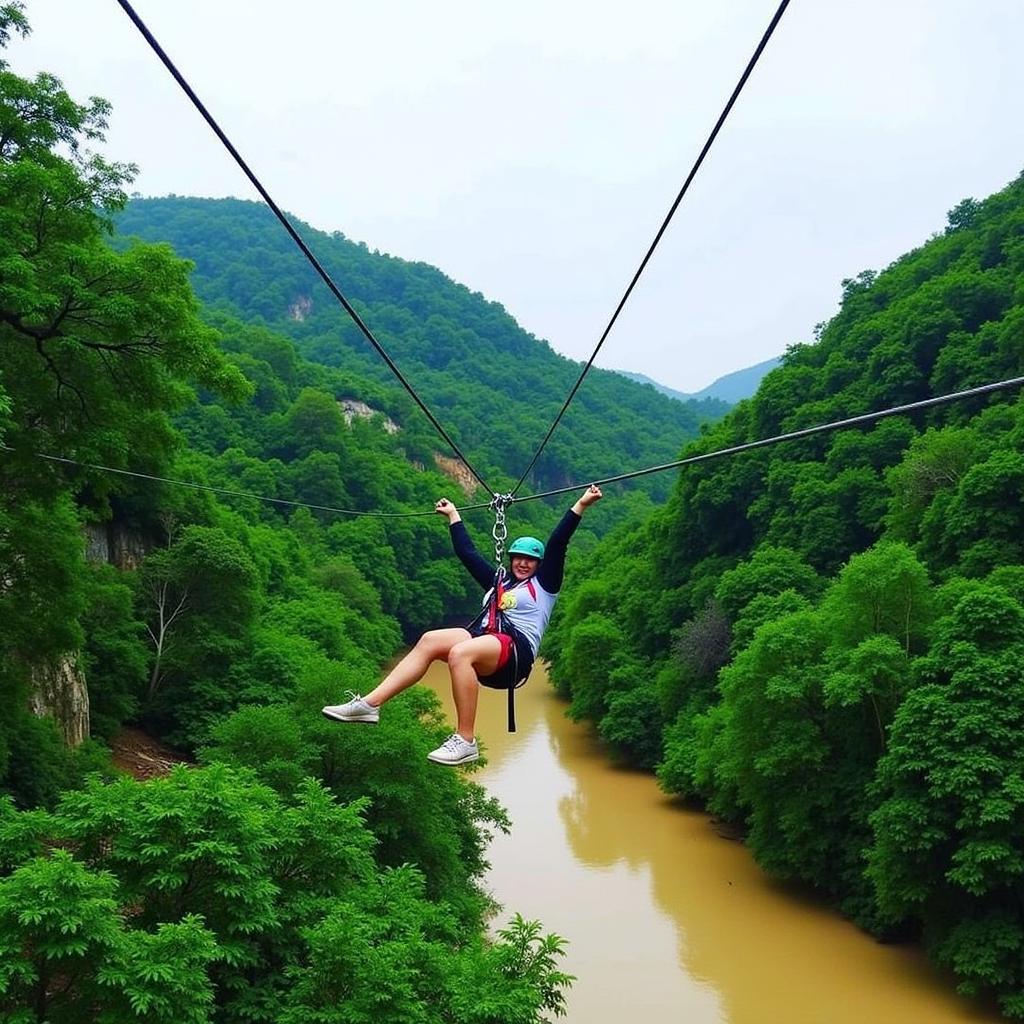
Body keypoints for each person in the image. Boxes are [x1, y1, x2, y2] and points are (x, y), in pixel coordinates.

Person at [322, 484, 603, 765]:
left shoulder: (544, 586)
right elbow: (468, 555)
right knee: (431, 640)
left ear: (539, 565)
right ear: (512, 559)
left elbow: (557, 543)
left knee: (460, 653)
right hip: (487, 643)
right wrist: (453, 515)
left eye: (530, 560)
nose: (523, 564)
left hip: (515, 654)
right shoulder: (499, 583)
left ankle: (466, 740)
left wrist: (581, 504)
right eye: (518, 558)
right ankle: (369, 705)